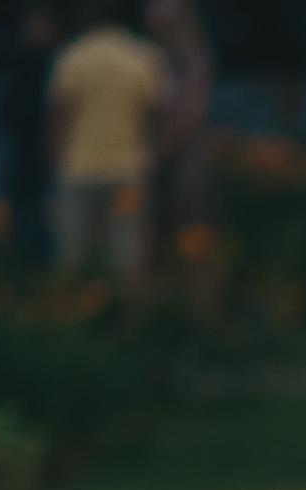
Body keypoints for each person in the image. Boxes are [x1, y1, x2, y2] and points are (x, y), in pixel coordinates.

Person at [44, 0, 165, 294]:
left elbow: (57, 118)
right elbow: (155, 117)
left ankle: (72, 323)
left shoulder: (73, 56)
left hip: (78, 171)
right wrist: (151, 159)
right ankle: (126, 326)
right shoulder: (144, 57)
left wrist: (53, 164)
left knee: (72, 254)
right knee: (128, 255)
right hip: (128, 172)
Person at [142, 0, 217, 317]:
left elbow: (187, 121)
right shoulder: (155, 60)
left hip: (184, 167)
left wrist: (152, 153)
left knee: (194, 241)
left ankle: (202, 316)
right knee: (154, 243)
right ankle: (159, 315)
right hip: (160, 163)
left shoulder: (194, 62)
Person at [0, 5, 60, 265]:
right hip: (24, 161)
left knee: (47, 229)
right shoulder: (20, 68)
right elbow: (1, 114)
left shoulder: (58, 66)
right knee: (22, 225)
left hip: (51, 162)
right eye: (31, 26)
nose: (33, 32)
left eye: (39, 25)